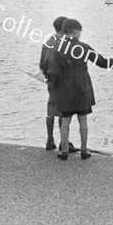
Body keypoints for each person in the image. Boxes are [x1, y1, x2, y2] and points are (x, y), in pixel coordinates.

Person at [47, 19, 113, 160]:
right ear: (76, 32)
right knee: (82, 120)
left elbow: (53, 72)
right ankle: (84, 150)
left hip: (65, 89)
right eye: (79, 32)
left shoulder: (57, 48)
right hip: (82, 87)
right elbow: (101, 62)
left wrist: (52, 84)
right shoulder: (84, 47)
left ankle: (64, 151)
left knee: (65, 121)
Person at [39, 16, 76, 153]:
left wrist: (47, 75)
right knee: (63, 112)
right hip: (64, 81)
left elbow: (42, 63)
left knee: (51, 108)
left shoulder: (48, 43)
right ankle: (63, 142)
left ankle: (50, 140)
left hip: (51, 80)